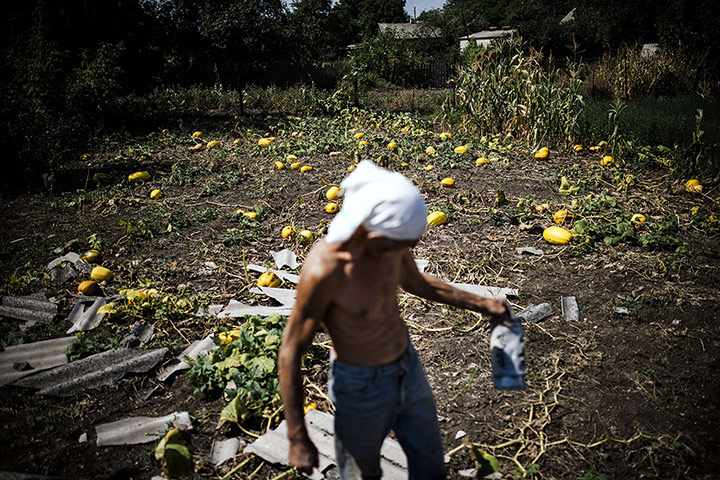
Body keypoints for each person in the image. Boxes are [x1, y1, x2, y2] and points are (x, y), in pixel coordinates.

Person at [278, 161, 512, 480]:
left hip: (408, 368)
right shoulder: (326, 272)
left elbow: (418, 283)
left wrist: (484, 303)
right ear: (373, 236)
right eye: (406, 243)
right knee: (363, 474)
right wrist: (297, 437)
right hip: (360, 388)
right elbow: (290, 352)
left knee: (431, 465)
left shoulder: (390, 246)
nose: (412, 248)